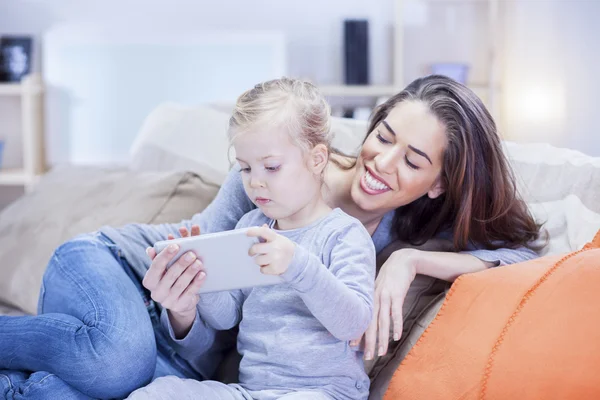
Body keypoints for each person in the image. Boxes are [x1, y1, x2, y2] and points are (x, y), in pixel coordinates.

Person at [0, 74, 542, 399]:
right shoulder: (272, 181)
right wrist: (184, 309)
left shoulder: (398, 235)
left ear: (439, 182)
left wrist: (411, 263)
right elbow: (206, 285)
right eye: (383, 136)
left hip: (177, 350)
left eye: (414, 160)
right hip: (118, 271)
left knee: (66, 390)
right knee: (118, 361)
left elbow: (521, 259)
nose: (383, 161)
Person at [128, 77, 375, 400]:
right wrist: (203, 279)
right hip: (253, 392)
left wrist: (297, 265)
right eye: (245, 169)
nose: (255, 182)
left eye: (271, 167)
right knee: (159, 394)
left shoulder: (344, 234)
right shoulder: (250, 225)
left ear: (316, 160)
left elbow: (353, 323)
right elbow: (224, 316)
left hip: (324, 391)